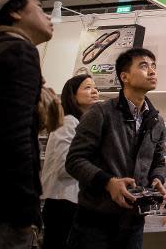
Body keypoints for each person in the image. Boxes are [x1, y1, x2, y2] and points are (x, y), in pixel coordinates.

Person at [66, 48, 166, 249]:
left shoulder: (156, 120)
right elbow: (75, 161)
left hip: (134, 222)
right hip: (95, 221)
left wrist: (158, 179)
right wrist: (108, 182)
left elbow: (158, 161)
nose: (152, 71)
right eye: (144, 66)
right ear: (125, 77)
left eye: (154, 66)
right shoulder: (101, 112)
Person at [0, 0, 54, 248]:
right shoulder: (20, 51)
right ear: (15, 12)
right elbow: (15, 135)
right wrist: (26, 207)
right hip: (7, 204)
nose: (49, 17)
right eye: (40, 7)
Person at [41, 74, 100, 249]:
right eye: (87, 87)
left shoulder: (81, 123)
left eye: (95, 87)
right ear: (73, 95)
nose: (94, 91)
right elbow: (64, 167)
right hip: (62, 203)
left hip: (73, 202)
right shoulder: (68, 122)